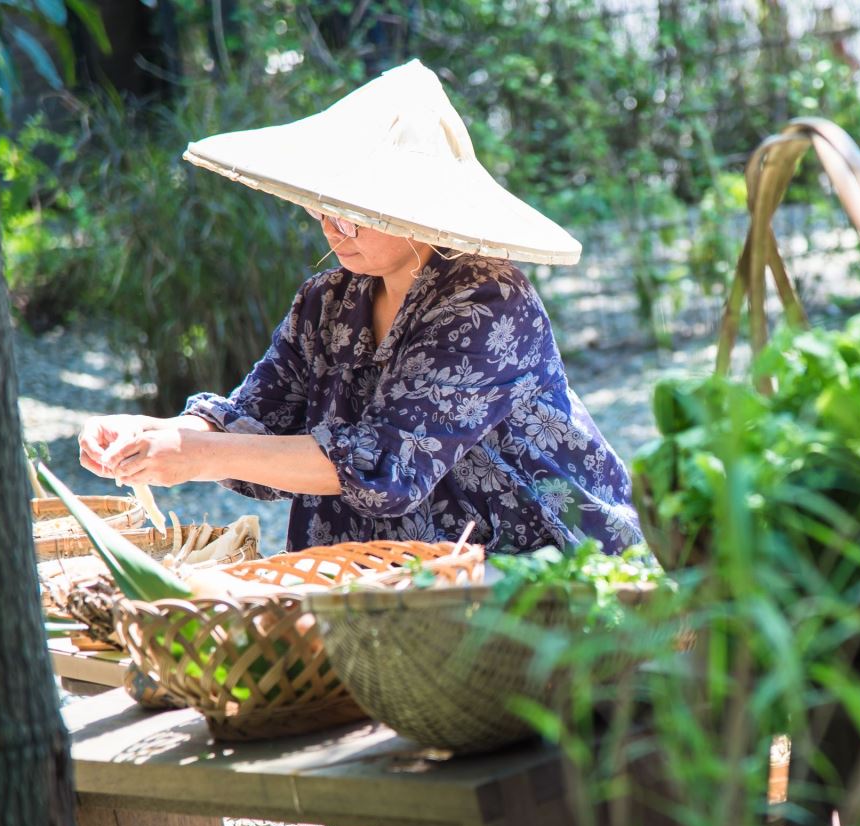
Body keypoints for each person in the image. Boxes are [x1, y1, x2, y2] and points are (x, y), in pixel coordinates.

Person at [79, 61, 641, 555]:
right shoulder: (326, 302)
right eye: (325, 207)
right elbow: (255, 420)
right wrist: (156, 434)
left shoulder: (488, 300)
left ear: (416, 208)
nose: (331, 227)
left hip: (528, 565)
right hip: (375, 577)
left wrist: (197, 454)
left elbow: (386, 465)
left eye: (353, 211)